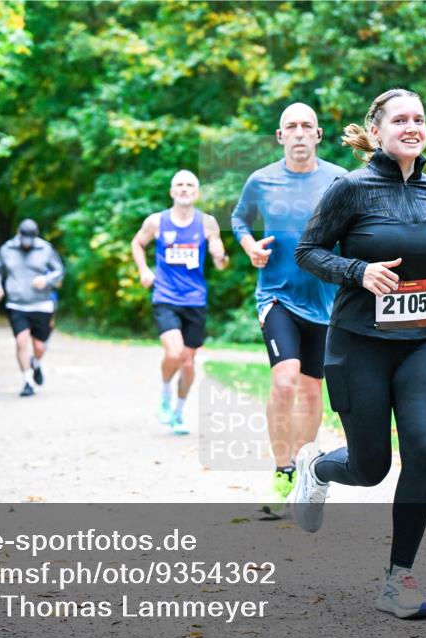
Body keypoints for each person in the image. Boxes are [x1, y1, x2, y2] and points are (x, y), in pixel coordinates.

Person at [292, 89, 426, 619]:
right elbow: (308, 252)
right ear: (378, 129)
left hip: (421, 343)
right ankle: (318, 468)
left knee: (423, 447)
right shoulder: (350, 189)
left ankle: (399, 579)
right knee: (371, 468)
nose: (412, 126)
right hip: (359, 345)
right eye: (400, 119)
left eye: (419, 118)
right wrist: (357, 271)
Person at [231, 103, 347, 509]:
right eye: (291, 127)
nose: (299, 133)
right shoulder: (260, 181)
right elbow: (239, 220)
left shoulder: (339, 180)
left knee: (313, 390)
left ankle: (304, 474)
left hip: (325, 301)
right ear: (280, 136)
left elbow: (361, 226)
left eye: (306, 127)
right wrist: (249, 246)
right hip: (277, 296)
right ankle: (282, 472)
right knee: (285, 380)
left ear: (318, 135)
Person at [131, 170, 228, 434]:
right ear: (172, 191)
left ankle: (178, 412)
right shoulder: (157, 221)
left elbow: (220, 261)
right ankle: (164, 394)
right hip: (166, 295)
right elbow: (137, 243)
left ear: (196, 192)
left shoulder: (207, 223)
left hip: (195, 299)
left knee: (188, 362)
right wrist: (143, 270)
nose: (184, 189)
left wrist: (220, 257)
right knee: (173, 353)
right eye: (179, 185)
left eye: (189, 185)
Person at [0, 219, 65, 397]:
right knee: (21, 341)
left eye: (30, 239)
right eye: (24, 239)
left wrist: (46, 280)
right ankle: (27, 381)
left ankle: (36, 363)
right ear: (19, 234)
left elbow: (59, 270)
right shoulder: (7, 249)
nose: (27, 243)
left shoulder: (45, 249)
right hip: (16, 303)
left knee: (39, 346)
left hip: (41, 303)